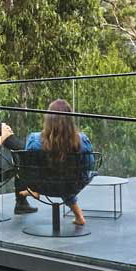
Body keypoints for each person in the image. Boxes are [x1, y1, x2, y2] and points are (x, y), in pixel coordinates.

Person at [28, 97, 96, 228]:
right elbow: (89, 165)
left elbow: (29, 166)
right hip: (72, 185)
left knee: (56, 175)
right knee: (66, 176)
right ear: (70, 120)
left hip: (42, 186)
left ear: (48, 119)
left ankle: (30, 193)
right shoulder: (82, 140)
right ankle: (79, 216)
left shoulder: (34, 139)